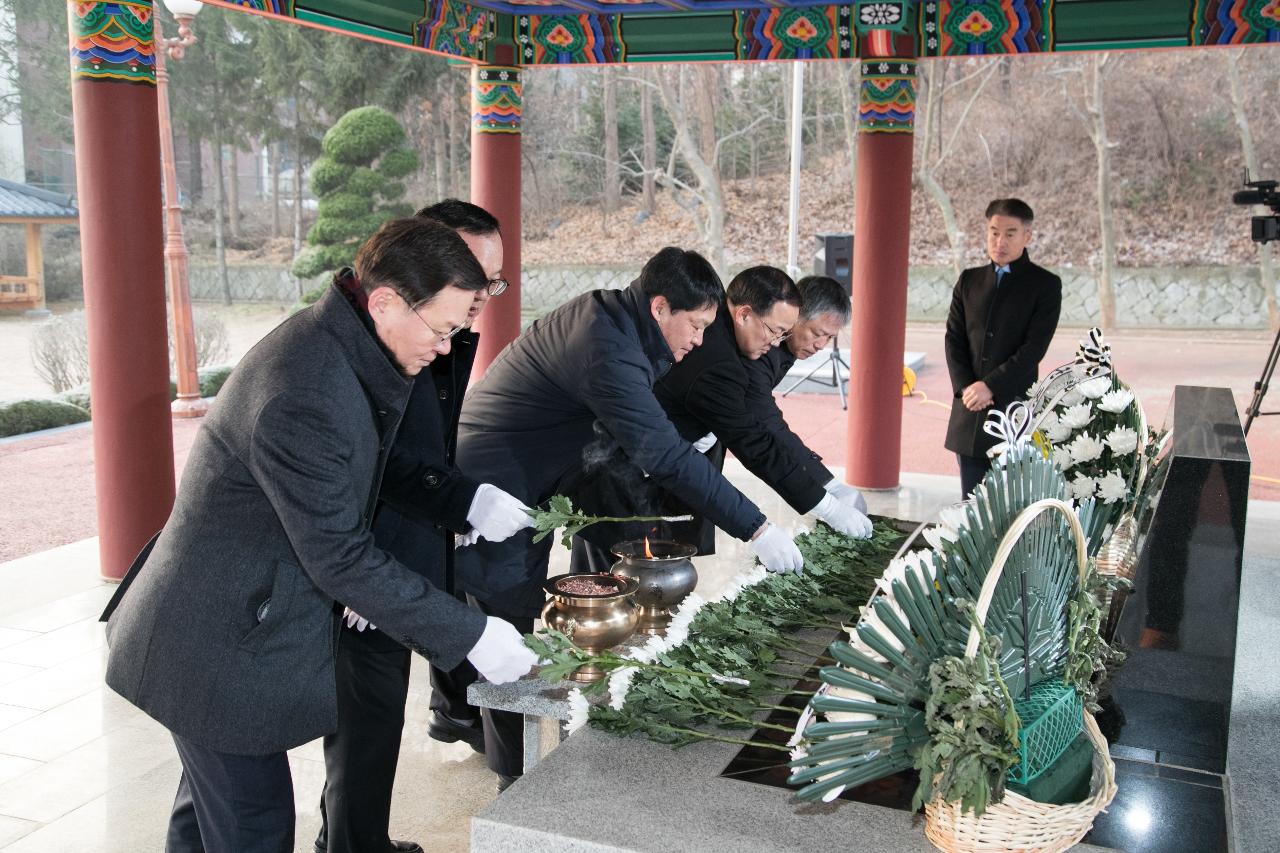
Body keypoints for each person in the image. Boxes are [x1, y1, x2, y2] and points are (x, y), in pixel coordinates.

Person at [100, 217, 537, 853]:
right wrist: (472, 634)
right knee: (254, 828)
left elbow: (367, 485)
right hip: (213, 641)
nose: (448, 346)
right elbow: (336, 554)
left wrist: (459, 506)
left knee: (207, 819)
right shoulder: (307, 388)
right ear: (386, 300)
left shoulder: (344, 348)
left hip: (230, 619)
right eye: (442, 328)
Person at [450, 247, 805, 790]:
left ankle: (512, 748)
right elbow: (661, 451)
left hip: (537, 476)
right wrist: (757, 526)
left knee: (515, 619)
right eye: (694, 326)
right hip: (492, 483)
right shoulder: (607, 345)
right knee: (504, 624)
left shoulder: (619, 319)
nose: (696, 341)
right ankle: (512, 782)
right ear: (660, 306)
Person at [313, 201, 520, 853]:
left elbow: (424, 449)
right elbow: (379, 462)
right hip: (361, 563)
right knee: (363, 720)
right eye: (473, 278)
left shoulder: (445, 330)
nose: (484, 295)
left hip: (398, 547)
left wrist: (454, 507)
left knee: (374, 716)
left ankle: (357, 838)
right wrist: (453, 504)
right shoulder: (359, 347)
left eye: (493, 280)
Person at [639, 267, 872, 557]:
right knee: (632, 555)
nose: (776, 342)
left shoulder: (756, 339)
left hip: (688, 444)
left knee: (674, 548)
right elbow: (759, 440)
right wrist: (822, 505)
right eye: (815, 333)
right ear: (744, 314)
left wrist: (829, 485)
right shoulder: (721, 360)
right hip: (645, 458)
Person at [944, 198, 1062, 497]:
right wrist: (967, 387)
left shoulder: (1045, 285)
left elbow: (1033, 349)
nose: (1000, 241)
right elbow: (954, 338)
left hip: (1013, 409)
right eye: (994, 232)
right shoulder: (969, 280)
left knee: (1010, 504)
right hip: (971, 410)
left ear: (1027, 236)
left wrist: (991, 386)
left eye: (1010, 233)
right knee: (970, 505)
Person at [739, 274, 868, 515]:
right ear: (795, 314)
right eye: (817, 332)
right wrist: (825, 485)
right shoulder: (761, 346)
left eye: (829, 337)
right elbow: (767, 424)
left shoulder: (786, 348)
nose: (821, 345)